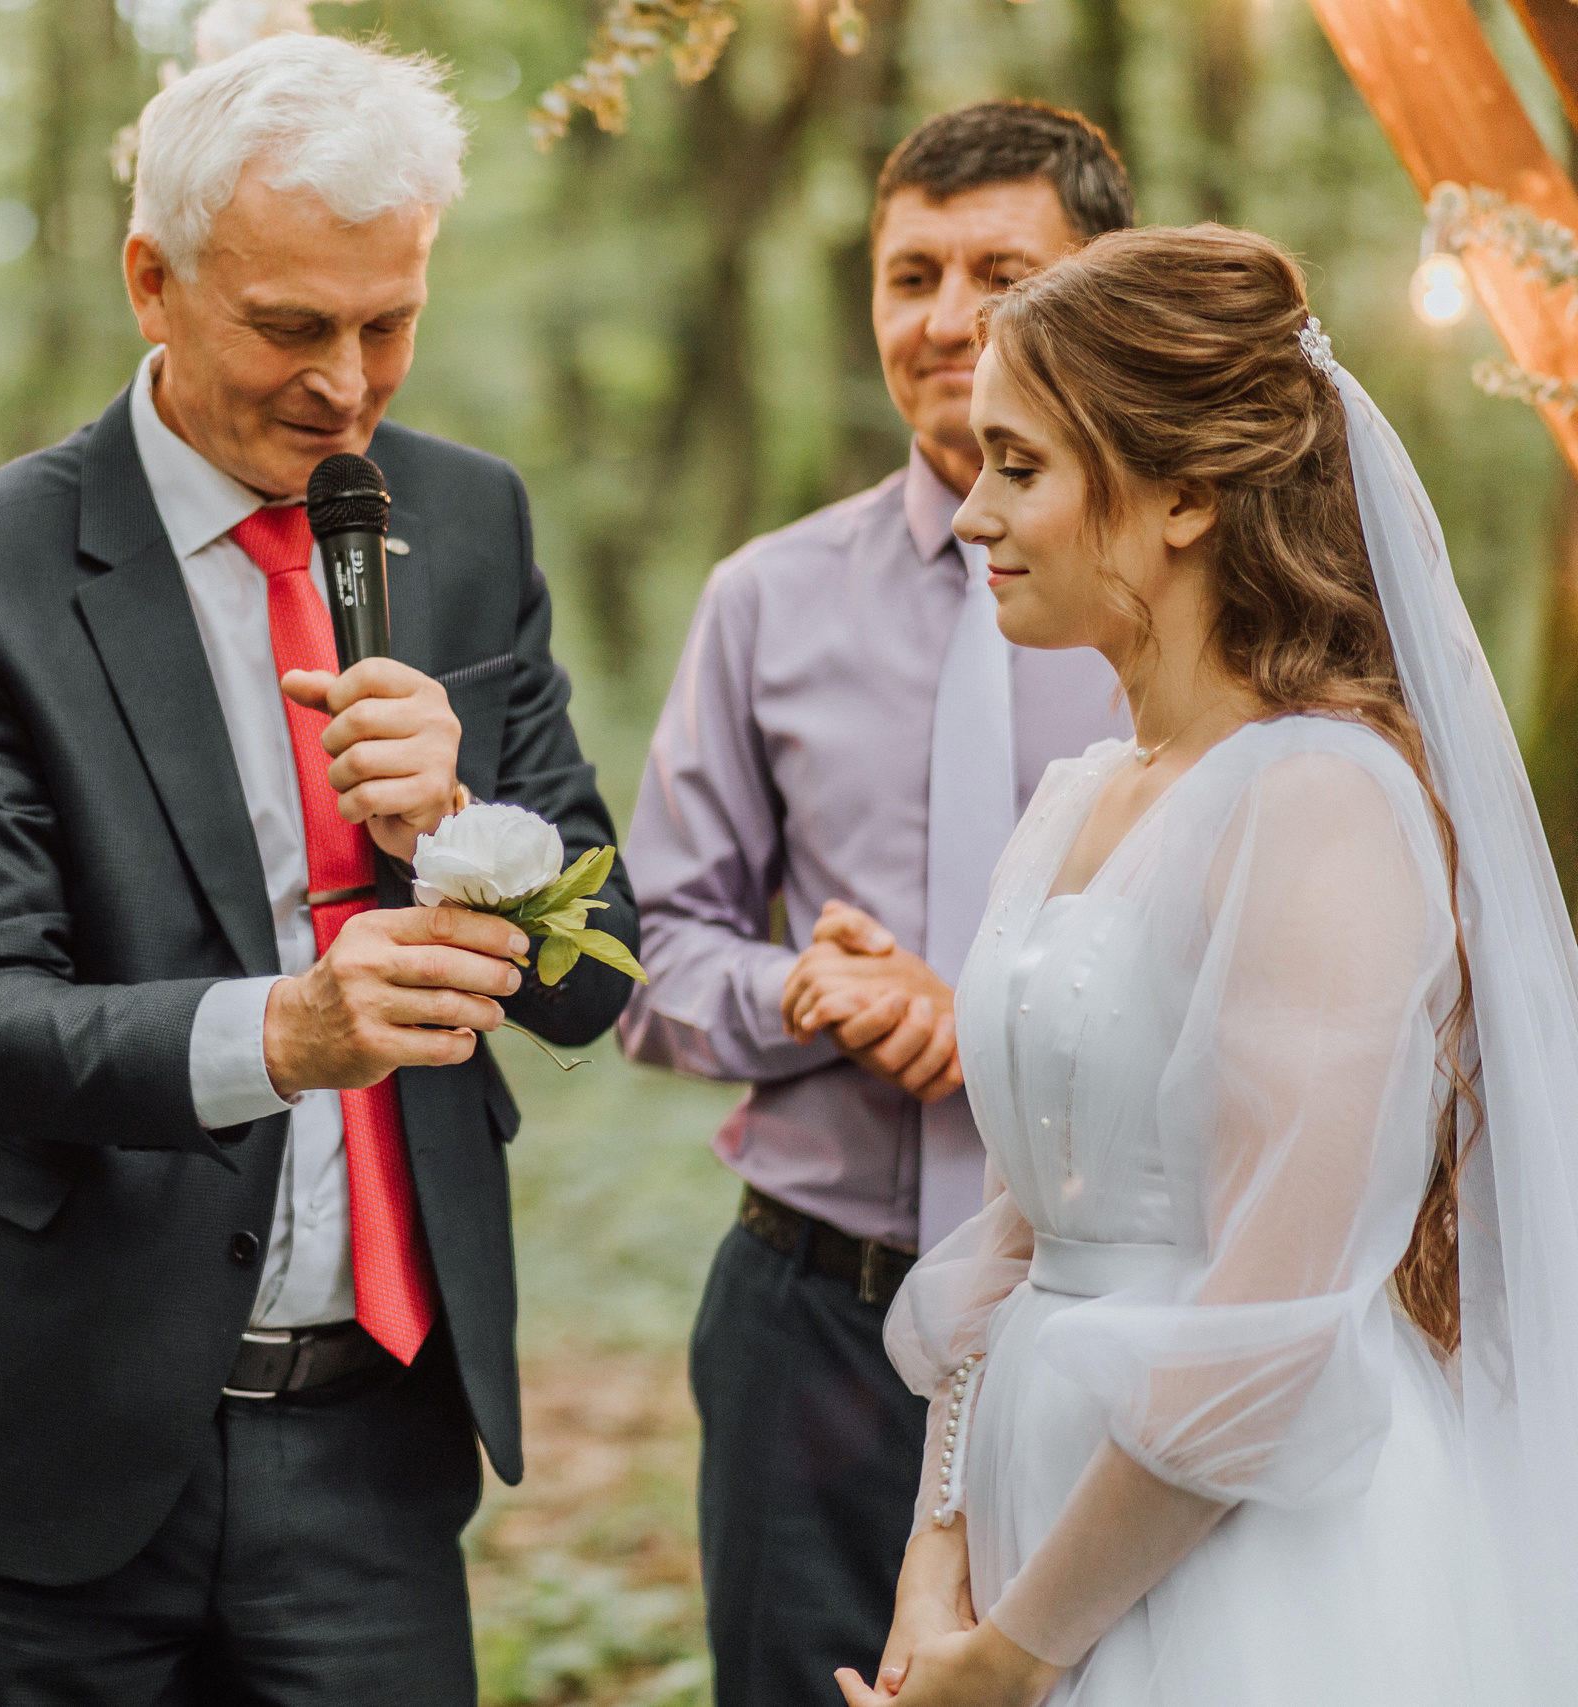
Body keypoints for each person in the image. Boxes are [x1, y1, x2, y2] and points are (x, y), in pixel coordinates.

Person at [0, 33, 637, 1703]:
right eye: (291, 325)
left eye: (389, 322)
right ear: (154, 278)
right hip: (50, 1450)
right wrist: (291, 1035)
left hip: (375, 1450)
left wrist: (463, 822)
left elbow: (591, 976)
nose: (348, 384)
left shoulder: (471, 525)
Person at [846, 224, 1574, 1706]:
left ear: (1183, 495)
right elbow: (1013, 1242)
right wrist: (942, 1553)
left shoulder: (1319, 804)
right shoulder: (1083, 796)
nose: (975, 510)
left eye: (1021, 465)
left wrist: (1023, 1655)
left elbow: (1275, 1316)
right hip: (1027, 1539)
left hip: (1246, 1572)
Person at [617, 102, 1133, 1702]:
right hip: (815, 1328)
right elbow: (645, 955)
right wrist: (804, 994)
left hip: (1109, 1318)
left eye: (1001, 269)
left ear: (1101, 283)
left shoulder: (1196, 596)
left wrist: (979, 1019)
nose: (945, 318)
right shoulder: (765, 599)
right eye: (910, 273)